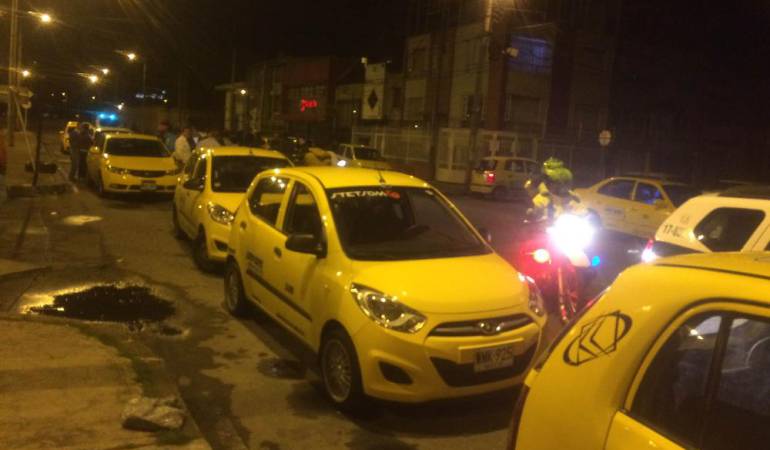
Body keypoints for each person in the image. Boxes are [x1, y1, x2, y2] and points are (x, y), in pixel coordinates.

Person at [527, 157, 585, 222]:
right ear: (549, 183)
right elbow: (536, 210)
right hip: (546, 228)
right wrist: (532, 215)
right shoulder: (544, 198)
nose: (561, 185)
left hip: (567, 228)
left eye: (565, 182)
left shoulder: (573, 198)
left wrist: (584, 215)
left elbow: (582, 211)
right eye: (556, 182)